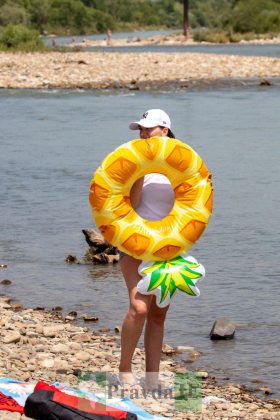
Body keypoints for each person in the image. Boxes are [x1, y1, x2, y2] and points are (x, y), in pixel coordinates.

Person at [119, 109, 175, 391]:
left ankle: (152, 378)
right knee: (139, 307)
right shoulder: (134, 163)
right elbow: (131, 203)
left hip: (168, 246)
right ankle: (125, 369)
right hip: (136, 244)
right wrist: (139, 172)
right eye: (140, 129)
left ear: (164, 131)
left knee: (158, 314)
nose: (143, 134)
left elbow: (192, 207)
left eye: (148, 129)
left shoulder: (183, 164)